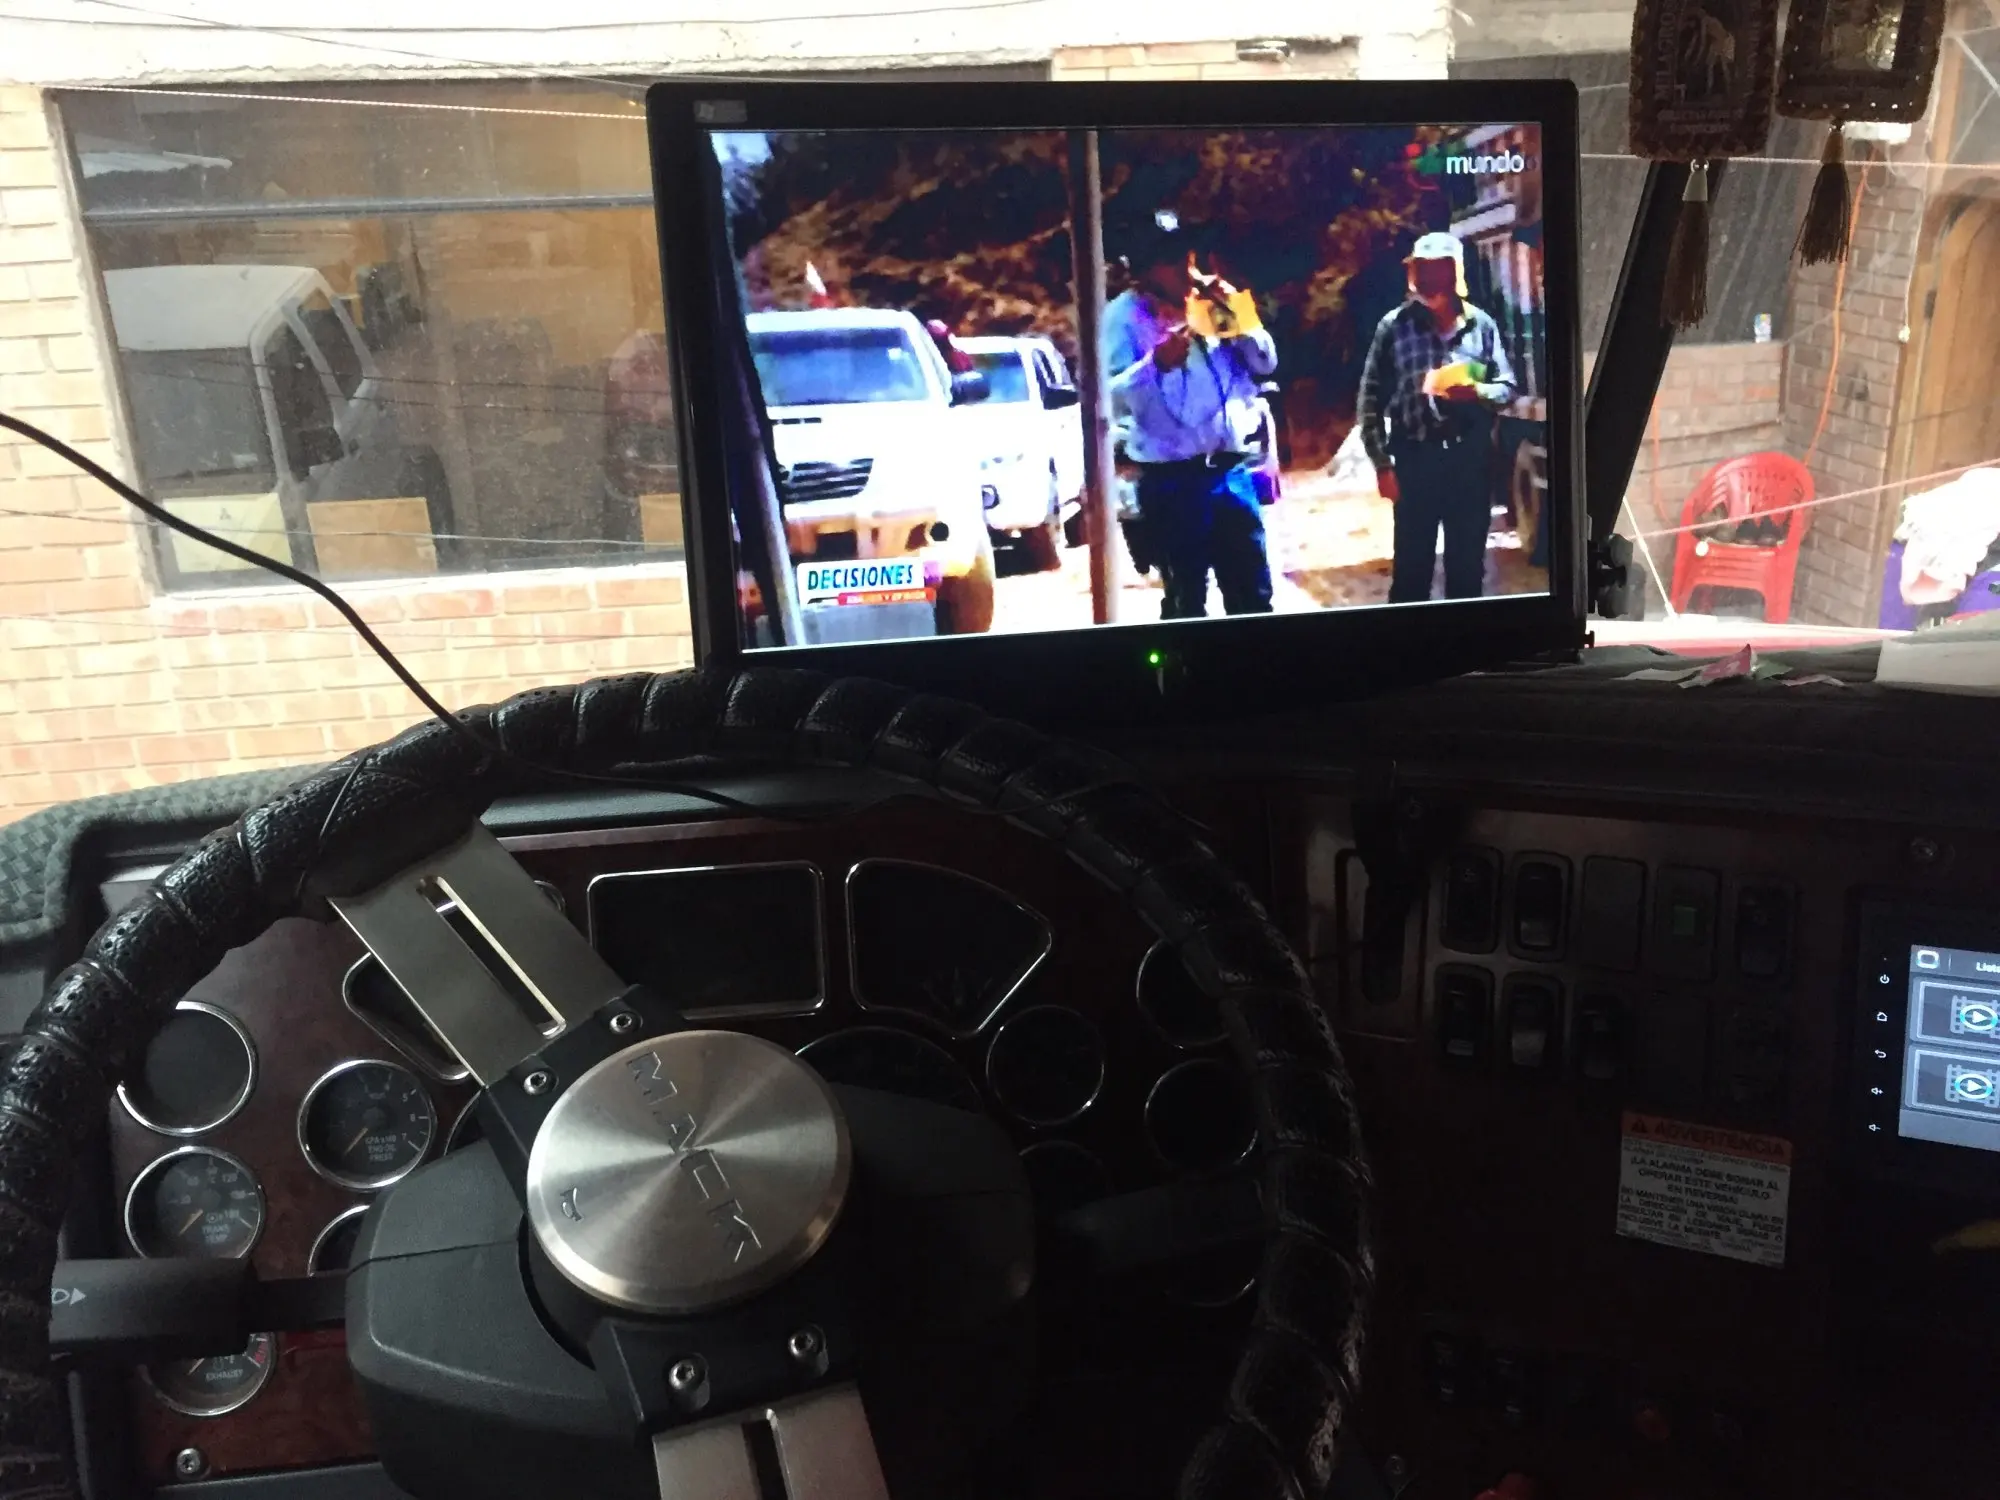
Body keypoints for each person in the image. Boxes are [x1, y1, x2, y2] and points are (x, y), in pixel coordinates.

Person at [1102, 217, 1278, 618]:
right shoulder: (1123, 319)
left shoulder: (1211, 305)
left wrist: (1240, 316)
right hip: (1173, 480)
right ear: (1145, 271)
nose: (1186, 269)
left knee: (1253, 596)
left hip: (1230, 472)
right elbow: (1110, 397)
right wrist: (1154, 366)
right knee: (1186, 601)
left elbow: (1265, 363)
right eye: (1172, 261)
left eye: (1189, 257)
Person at [1356, 230, 1518, 602]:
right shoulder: (1394, 326)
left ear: (1454, 273)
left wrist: (1477, 392)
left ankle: (1462, 642)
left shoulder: (1481, 325)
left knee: (1467, 575)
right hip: (1415, 463)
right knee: (1411, 578)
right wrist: (1382, 465)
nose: (1428, 280)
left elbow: (1507, 387)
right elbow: (1369, 400)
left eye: (1437, 270)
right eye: (1421, 271)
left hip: (1469, 464)